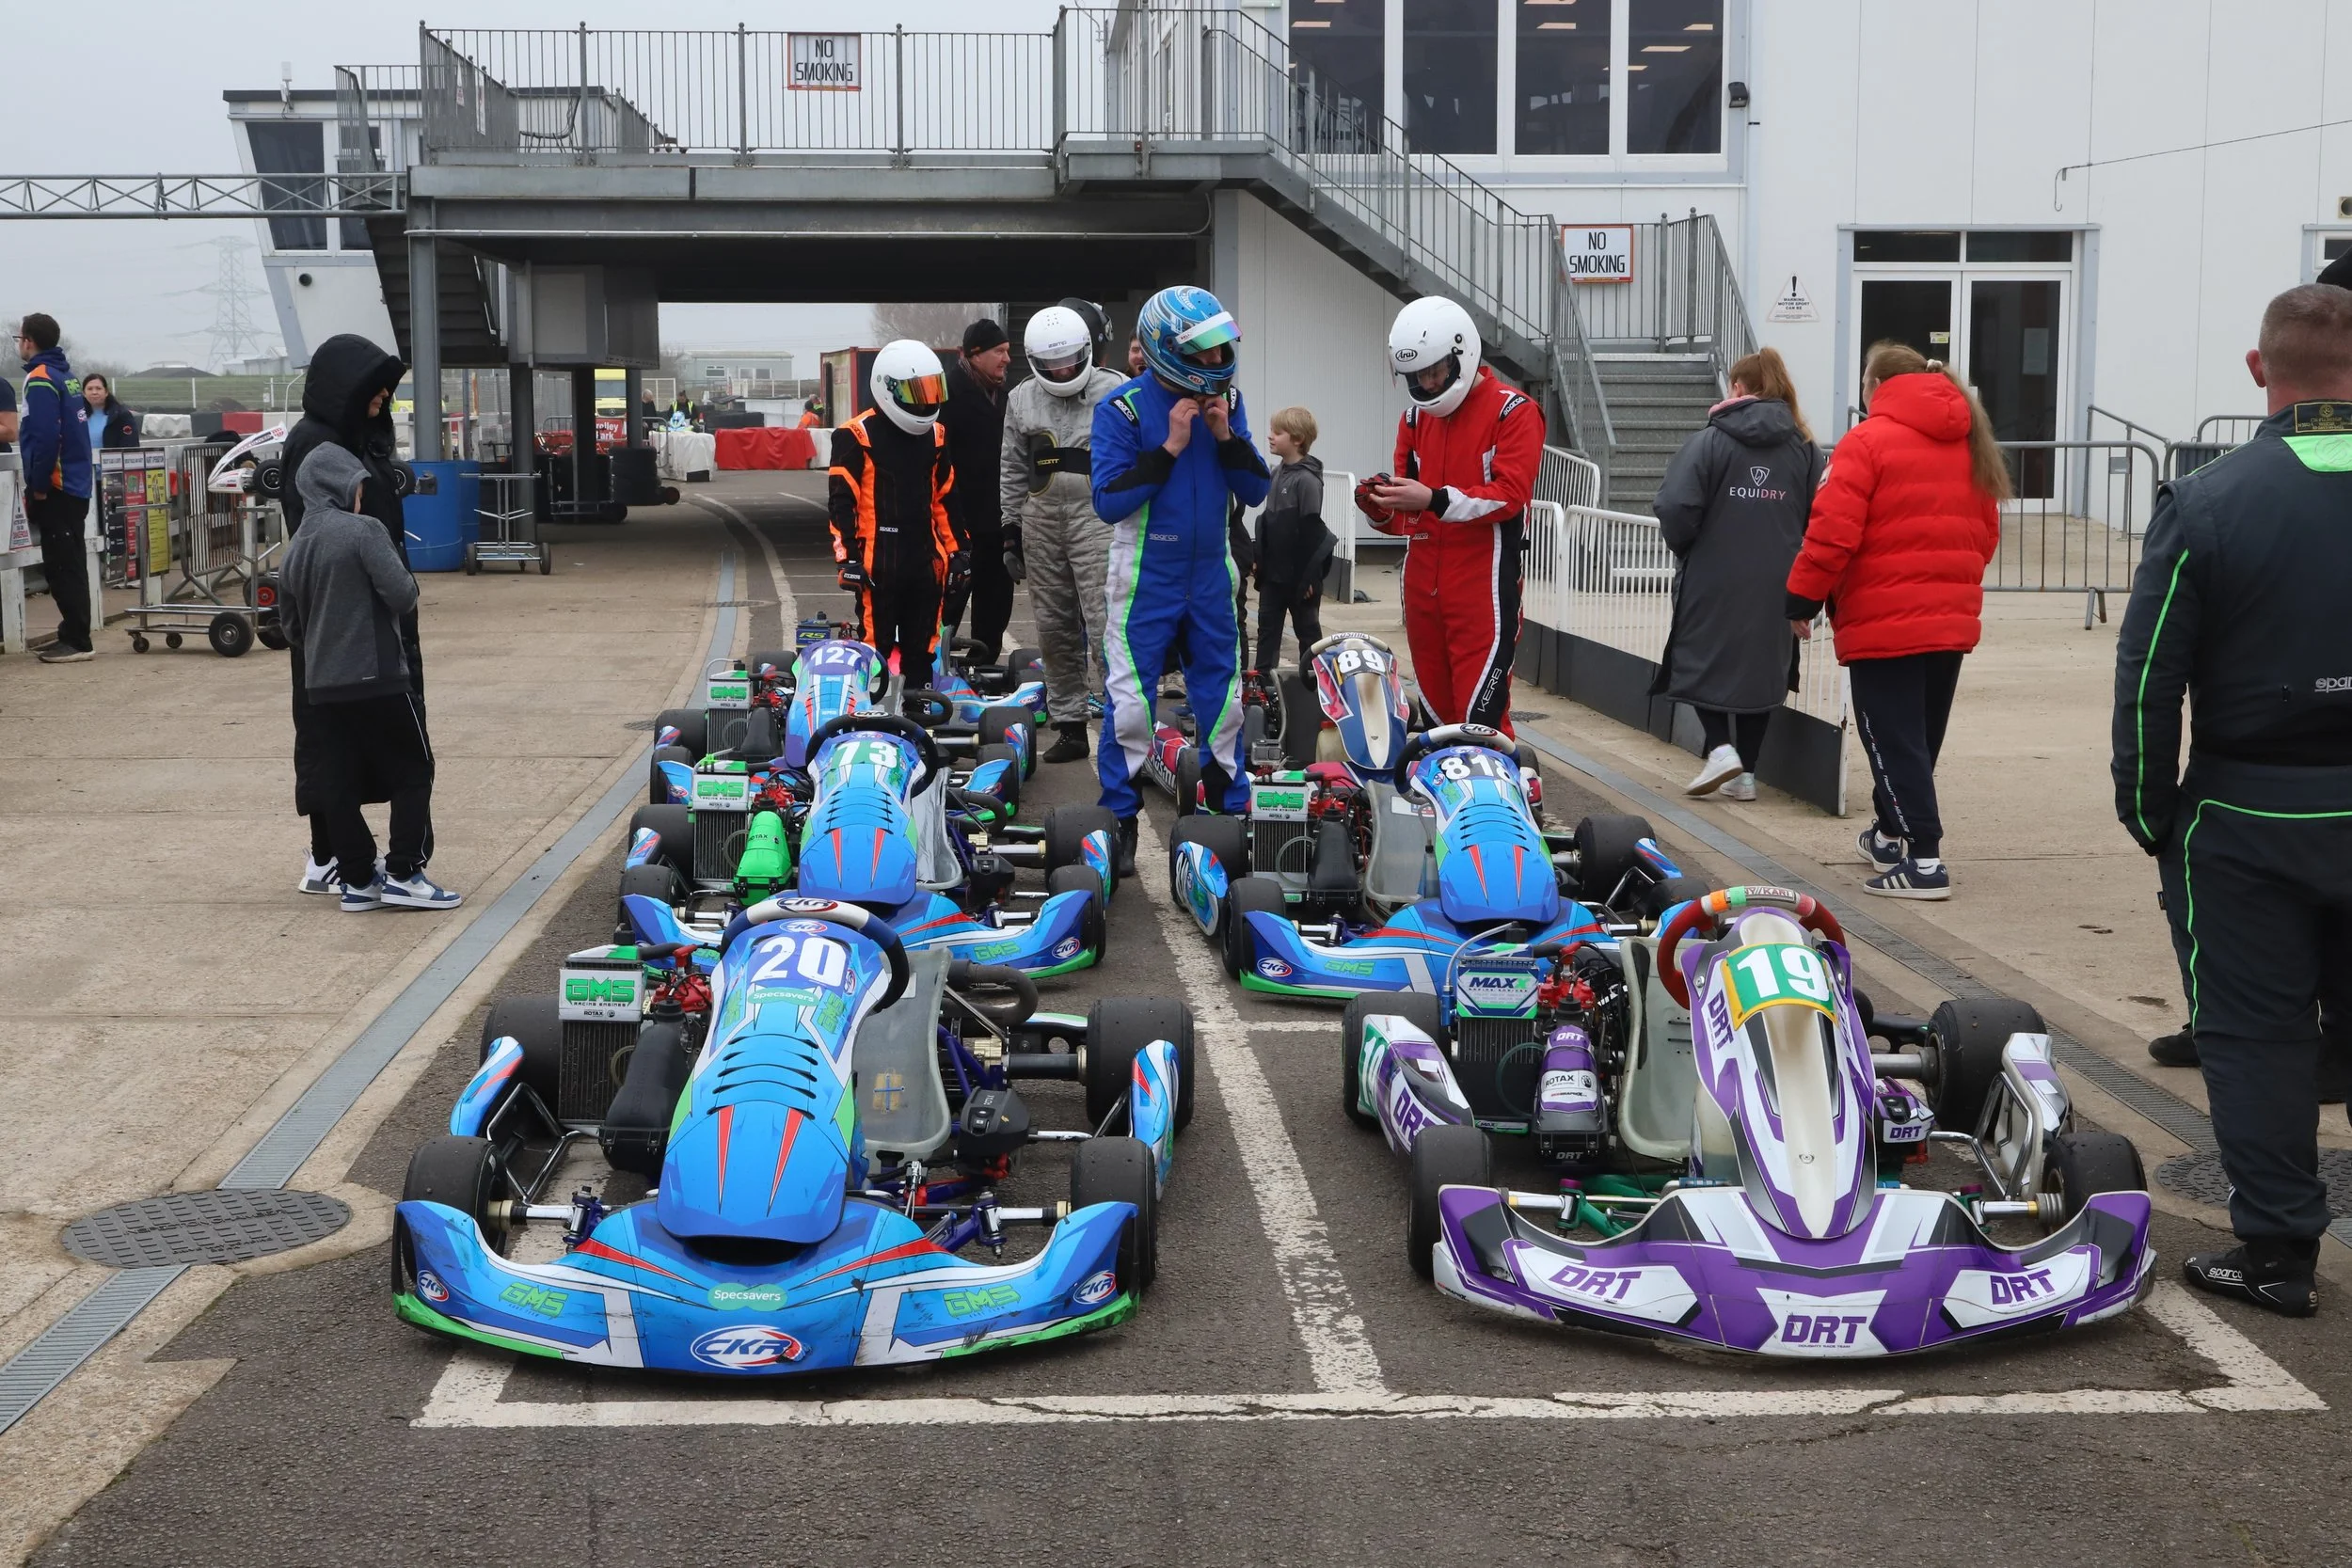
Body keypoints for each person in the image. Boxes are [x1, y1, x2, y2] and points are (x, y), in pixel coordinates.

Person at [2112, 283, 2352, 1318]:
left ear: (2260, 372)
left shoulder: (2206, 499)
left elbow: (2148, 674)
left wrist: (2147, 806)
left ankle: (2276, 1257)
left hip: (2245, 816)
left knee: (2255, 1037)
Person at [1786, 341, 2006, 900]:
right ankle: (1889, 834)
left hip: (1883, 620)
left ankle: (1925, 861)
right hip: (1948, 620)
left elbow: (1832, 534)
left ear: (1875, 386)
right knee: (1919, 738)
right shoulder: (1969, 444)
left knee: (1888, 736)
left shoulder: (1866, 443)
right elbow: (1986, 537)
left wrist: (1800, 600)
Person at [1093, 285, 1272, 874]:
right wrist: (1170, 446)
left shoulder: (1231, 400)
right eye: (1206, 352)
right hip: (1144, 574)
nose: (1219, 362)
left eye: (1224, 350)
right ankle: (1117, 822)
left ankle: (1228, 813)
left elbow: (1255, 489)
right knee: (1129, 706)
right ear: (1168, 349)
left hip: (1212, 572)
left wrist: (1225, 437)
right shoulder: (1120, 408)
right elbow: (1109, 501)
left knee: (1224, 704)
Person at [278, 444, 458, 911]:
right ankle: (404, 871)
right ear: (342, 485)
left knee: (338, 781)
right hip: (378, 676)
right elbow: (401, 595)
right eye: (359, 484)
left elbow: (291, 627)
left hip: (322, 685)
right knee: (414, 768)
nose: (363, 493)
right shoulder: (365, 531)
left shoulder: (296, 547)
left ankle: (357, 879)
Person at [1362, 296, 1546, 733]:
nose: (1426, 384)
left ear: (1460, 354)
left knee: (1480, 719)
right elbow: (1408, 516)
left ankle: (1502, 796)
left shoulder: (1513, 411)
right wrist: (1378, 508)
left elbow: (1510, 495)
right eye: (1417, 375)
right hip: (1422, 583)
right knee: (1434, 719)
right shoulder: (1413, 418)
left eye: (1434, 371)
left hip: (1483, 585)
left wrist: (1433, 500)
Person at [281, 334, 423, 895]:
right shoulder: (318, 446)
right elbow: (322, 546)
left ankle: (349, 862)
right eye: (373, 388)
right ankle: (344, 858)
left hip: (347, 629)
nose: (383, 397)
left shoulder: (357, 439)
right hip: (352, 626)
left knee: (342, 750)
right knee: (373, 755)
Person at [1652, 347, 1821, 802]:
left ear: (1740, 389)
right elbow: (1819, 515)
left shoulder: (1709, 441)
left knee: (1699, 658)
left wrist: (1689, 546)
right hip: (1780, 582)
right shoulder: (1805, 447)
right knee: (1761, 672)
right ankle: (1747, 776)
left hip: (1714, 574)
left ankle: (1720, 748)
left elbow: (1674, 506)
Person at [1001, 304, 1121, 764]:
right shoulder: (1021, 399)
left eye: (1069, 360)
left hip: (1101, 519)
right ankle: (1070, 725)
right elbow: (1012, 466)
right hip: (1042, 521)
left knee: (1109, 626)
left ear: (1088, 351)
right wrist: (1010, 530)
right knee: (1054, 628)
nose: (1062, 370)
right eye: (1051, 365)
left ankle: (1122, 724)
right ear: (1033, 360)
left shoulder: (1117, 389)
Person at [829, 340, 963, 702]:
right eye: (914, 392)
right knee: (877, 649)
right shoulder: (855, 435)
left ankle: (922, 712)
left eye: (930, 391)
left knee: (923, 649)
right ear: (886, 388)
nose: (924, 401)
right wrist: (848, 559)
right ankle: (869, 710)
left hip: (925, 559)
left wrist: (960, 551)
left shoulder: (936, 435)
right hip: (878, 562)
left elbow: (945, 498)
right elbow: (842, 503)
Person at [19, 314, 95, 663]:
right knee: (72, 561)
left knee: (62, 565)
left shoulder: (40, 379)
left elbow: (45, 437)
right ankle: (74, 633)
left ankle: (77, 640)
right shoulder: (68, 375)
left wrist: (37, 485)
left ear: (29, 341)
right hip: (76, 483)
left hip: (57, 487)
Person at [940, 319, 1012, 663]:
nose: (1006, 359)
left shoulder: (1004, 397)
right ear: (975, 354)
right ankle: (934, 669)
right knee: (946, 608)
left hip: (997, 526)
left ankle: (984, 667)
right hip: (957, 529)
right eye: (999, 351)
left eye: (1007, 351)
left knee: (995, 604)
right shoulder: (947, 395)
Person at [1253, 405, 1334, 676]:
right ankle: (1263, 688)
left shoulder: (1308, 480)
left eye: (1278, 432)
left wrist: (1310, 578)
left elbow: (1311, 530)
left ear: (1297, 439)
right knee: (1267, 631)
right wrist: (1259, 558)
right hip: (1274, 575)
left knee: (1308, 634)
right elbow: (1270, 521)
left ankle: (1313, 686)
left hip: (1301, 578)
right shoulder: (1276, 474)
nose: (1271, 437)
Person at [80, 373, 138, 449]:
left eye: (98, 388)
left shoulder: (122, 416)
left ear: (106, 392)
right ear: (84, 393)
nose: (94, 392)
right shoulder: (76, 416)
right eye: (90, 389)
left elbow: (131, 447)